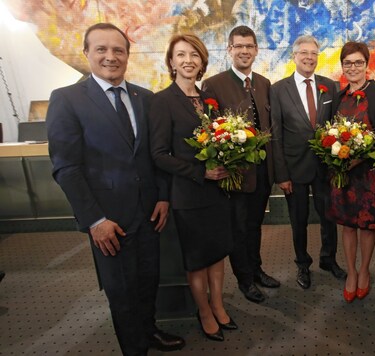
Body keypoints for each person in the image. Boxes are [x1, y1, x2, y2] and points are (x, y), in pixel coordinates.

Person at [46, 23, 184, 355]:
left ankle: (149, 331)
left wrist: (163, 195)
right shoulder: (67, 99)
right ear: (87, 54)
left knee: (149, 280)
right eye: (102, 50)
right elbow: (66, 168)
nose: (111, 57)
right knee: (121, 291)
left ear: (127, 54)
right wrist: (94, 220)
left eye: (118, 50)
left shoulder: (145, 98)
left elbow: (157, 155)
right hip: (109, 220)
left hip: (149, 213)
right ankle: (134, 349)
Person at [149, 34, 236, 342]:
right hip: (189, 194)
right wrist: (201, 172)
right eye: (181, 55)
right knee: (197, 259)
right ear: (171, 62)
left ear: (202, 62)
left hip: (217, 192)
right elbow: (158, 155)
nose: (188, 60)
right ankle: (203, 311)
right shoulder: (162, 101)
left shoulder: (208, 98)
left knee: (217, 254)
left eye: (194, 55)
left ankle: (218, 304)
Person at [201, 25, 280, 304]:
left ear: (256, 50)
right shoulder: (214, 84)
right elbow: (208, 131)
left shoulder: (264, 83)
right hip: (234, 174)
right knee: (239, 228)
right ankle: (245, 280)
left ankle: (256, 269)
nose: (244, 51)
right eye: (239, 46)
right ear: (229, 50)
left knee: (256, 225)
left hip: (262, 172)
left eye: (249, 46)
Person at [327, 41, 375, 303]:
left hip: (368, 174)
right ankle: (351, 272)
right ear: (342, 66)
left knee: (367, 226)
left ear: (366, 64)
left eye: (358, 62)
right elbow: (329, 133)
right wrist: (337, 157)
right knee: (348, 227)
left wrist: (359, 157)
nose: (353, 67)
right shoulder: (338, 96)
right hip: (344, 174)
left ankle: (365, 271)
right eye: (347, 63)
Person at [270, 35, 346, 289]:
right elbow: (276, 134)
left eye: (314, 53)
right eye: (304, 53)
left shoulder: (330, 86)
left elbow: (337, 127)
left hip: (325, 168)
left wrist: (338, 166)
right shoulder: (278, 89)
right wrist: (281, 175)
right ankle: (302, 263)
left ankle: (328, 259)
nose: (309, 58)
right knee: (298, 219)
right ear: (294, 56)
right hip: (294, 168)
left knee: (329, 217)